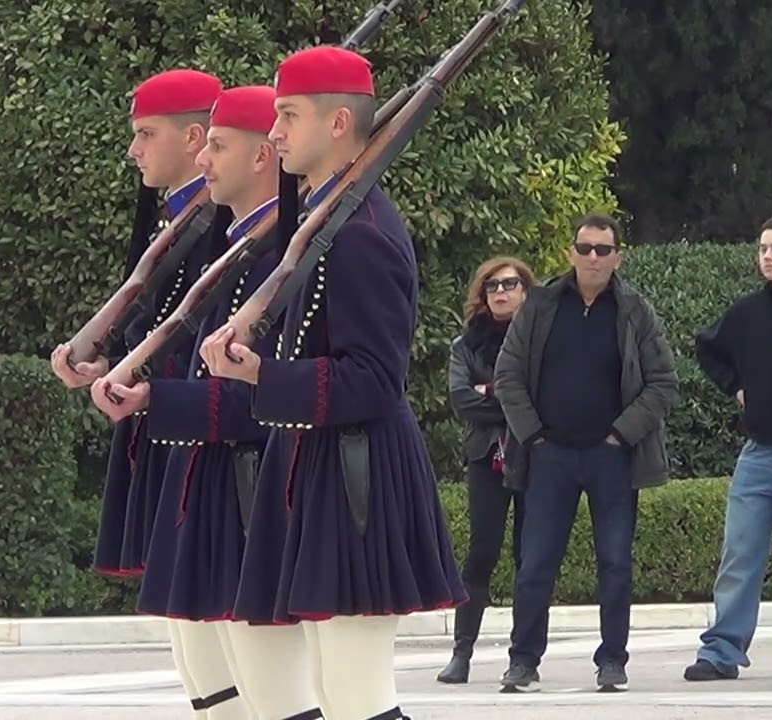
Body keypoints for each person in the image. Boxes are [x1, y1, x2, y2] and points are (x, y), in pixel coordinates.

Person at [200, 45, 468, 720]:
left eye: (288, 115)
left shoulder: (362, 232)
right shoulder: (321, 221)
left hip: (357, 475)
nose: (276, 131)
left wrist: (262, 373)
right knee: (324, 691)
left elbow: (376, 379)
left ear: (339, 125)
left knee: (357, 698)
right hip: (316, 465)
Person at [90, 84, 312, 720]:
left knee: (278, 694)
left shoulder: (274, 249)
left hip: (247, 479)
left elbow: (264, 387)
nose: (206, 160)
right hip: (204, 469)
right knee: (216, 686)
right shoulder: (236, 244)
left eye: (218, 145)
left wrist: (154, 398)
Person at [48, 67, 229, 718]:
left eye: (146, 134)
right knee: (194, 642)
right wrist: (103, 365)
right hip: (170, 424)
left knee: (219, 641)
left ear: (194, 136)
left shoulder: (221, 228)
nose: (133, 149)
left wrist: (141, 380)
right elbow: (159, 329)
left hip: (201, 431)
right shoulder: (177, 221)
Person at [492, 213, 678, 693]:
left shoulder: (636, 311)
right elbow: (508, 374)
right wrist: (532, 436)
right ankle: (523, 660)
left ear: (617, 256)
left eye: (603, 249)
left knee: (615, 563)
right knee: (534, 564)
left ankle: (612, 661)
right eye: (585, 247)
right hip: (549, 455)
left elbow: (662, 384)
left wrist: (621, 435)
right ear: (571, 252)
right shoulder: (540, 306)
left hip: (611, 457)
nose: (593, 257)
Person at [682, 215, 772, 681]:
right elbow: (707, 347)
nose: (767, 256)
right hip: (759, 451)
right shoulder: (745, 312)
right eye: (762, 247)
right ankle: (722, 650)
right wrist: (735, 386)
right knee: (740, 552)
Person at [436, 256, 536, 685]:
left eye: (510, 284)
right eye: (492, 286)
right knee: (481, 555)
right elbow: (462, 401)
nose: (500, 292)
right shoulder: (465, 346)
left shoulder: (540, 341)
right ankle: (462, 654)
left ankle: (523, 658)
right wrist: (512, 397)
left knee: (530, 560)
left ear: (526, 291)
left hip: (534, 455)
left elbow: (547, 397)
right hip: (486, 458)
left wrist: (492, 391)